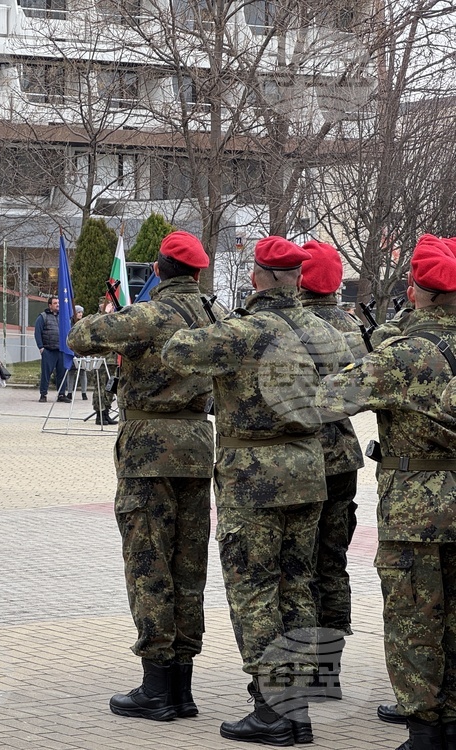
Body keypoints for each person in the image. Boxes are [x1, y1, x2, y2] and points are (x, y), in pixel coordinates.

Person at [162, 236, 350, 746]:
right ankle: (297, 709)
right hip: (309, 468)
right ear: (298, 278)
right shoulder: (325, 331)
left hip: (253, 476)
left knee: (255, 589)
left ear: (257, 277)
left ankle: (271, 711)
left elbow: (177, 351)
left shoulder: (245, 330)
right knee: (299, 586)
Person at [67, 231, 218, 724]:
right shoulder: (215, 315)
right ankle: (182, 688)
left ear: (158, 269)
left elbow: (79, 337)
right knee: (189, 564)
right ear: (197, 272)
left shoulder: (149, 315)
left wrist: (110, 313)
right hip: (198, 445)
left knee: (149, 561)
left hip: (149, 450)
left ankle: (156, 689)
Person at [316, 234, 456, 750]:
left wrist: (390, 337)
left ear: (417, 290)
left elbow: (328, 398)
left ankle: (425, 734)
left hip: (417, 511)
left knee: (415, 620)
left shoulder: (404, 354)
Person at [298, 240, 366, 699]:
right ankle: (327, 674)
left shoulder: (291, 325)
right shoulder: (353, 327)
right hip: (341, 454)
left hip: (300, 456)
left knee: (296, 563)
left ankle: (300, 666)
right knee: (332, 561)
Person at [35, 296, 68, 403]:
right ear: (50, 305)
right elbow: (37, 332)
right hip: (48, 350)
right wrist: (41, 347)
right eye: (55, 303)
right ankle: (43, 394)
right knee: (46, 374)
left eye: (58, 303)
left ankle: (61, 394)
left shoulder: (62, 317)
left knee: (62, 374)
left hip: (61, 350)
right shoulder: (42, 317)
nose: (57, 305)